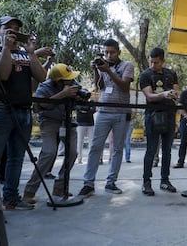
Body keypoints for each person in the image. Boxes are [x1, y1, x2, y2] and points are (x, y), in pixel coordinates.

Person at [0, 16, 46, 210]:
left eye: (16, 29)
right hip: (1, 110)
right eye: (8, 28)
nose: (14, 32)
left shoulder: (25, 54)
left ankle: (11, 198)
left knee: (16, 158)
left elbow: (41, 76)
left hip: (23, 111)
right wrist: (6, 48)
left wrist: (32, 53)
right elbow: (2, 74)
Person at [78, 39, 133, 198]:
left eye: (112, 52)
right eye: (106, 52)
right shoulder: (103, 65)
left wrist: (108, 70)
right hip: (103, 111)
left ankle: (111, 182)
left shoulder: (126, 65)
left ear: (118, 52)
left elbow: (124, 86)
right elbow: (100, 86)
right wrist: (96, 70)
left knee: (117, 149)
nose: (108, 55)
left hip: (121, 112)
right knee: (95, 147)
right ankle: (88, 183)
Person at [23, 63, 81, 204]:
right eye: (67, 78)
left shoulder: (73, 83)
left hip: (67, 121)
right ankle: (29, 191)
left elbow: (80, 98)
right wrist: (63, 94)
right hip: (49, 121)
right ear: (57, 80)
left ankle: (60, 187)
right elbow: (41, 106)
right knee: (49, 153)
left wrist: (80, 99)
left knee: (72, 153)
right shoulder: (45, 87)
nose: (71, 80)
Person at [140, 47, 179, 196]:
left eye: (156, 62)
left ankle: (165, 180)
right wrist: (164, 94)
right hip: (152, 115)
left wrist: (174, 94)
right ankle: (146, 182)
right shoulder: (145, 75)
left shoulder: (171, 73)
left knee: (167, 150)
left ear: (162, 61)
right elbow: (149, 96)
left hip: (169, 115)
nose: (153, 65)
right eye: (151, 62)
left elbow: (177, 92)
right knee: (151, 149)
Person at [75, 97, 96, 164]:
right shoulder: (78, 102)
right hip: (80, 123)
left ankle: (91, 158)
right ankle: (79, 158)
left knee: (91, 141)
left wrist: (84, 110)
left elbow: (94, 110)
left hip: (90, 123)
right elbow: (77, 108)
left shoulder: (91, 102)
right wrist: (87, 110)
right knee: (80, 141)